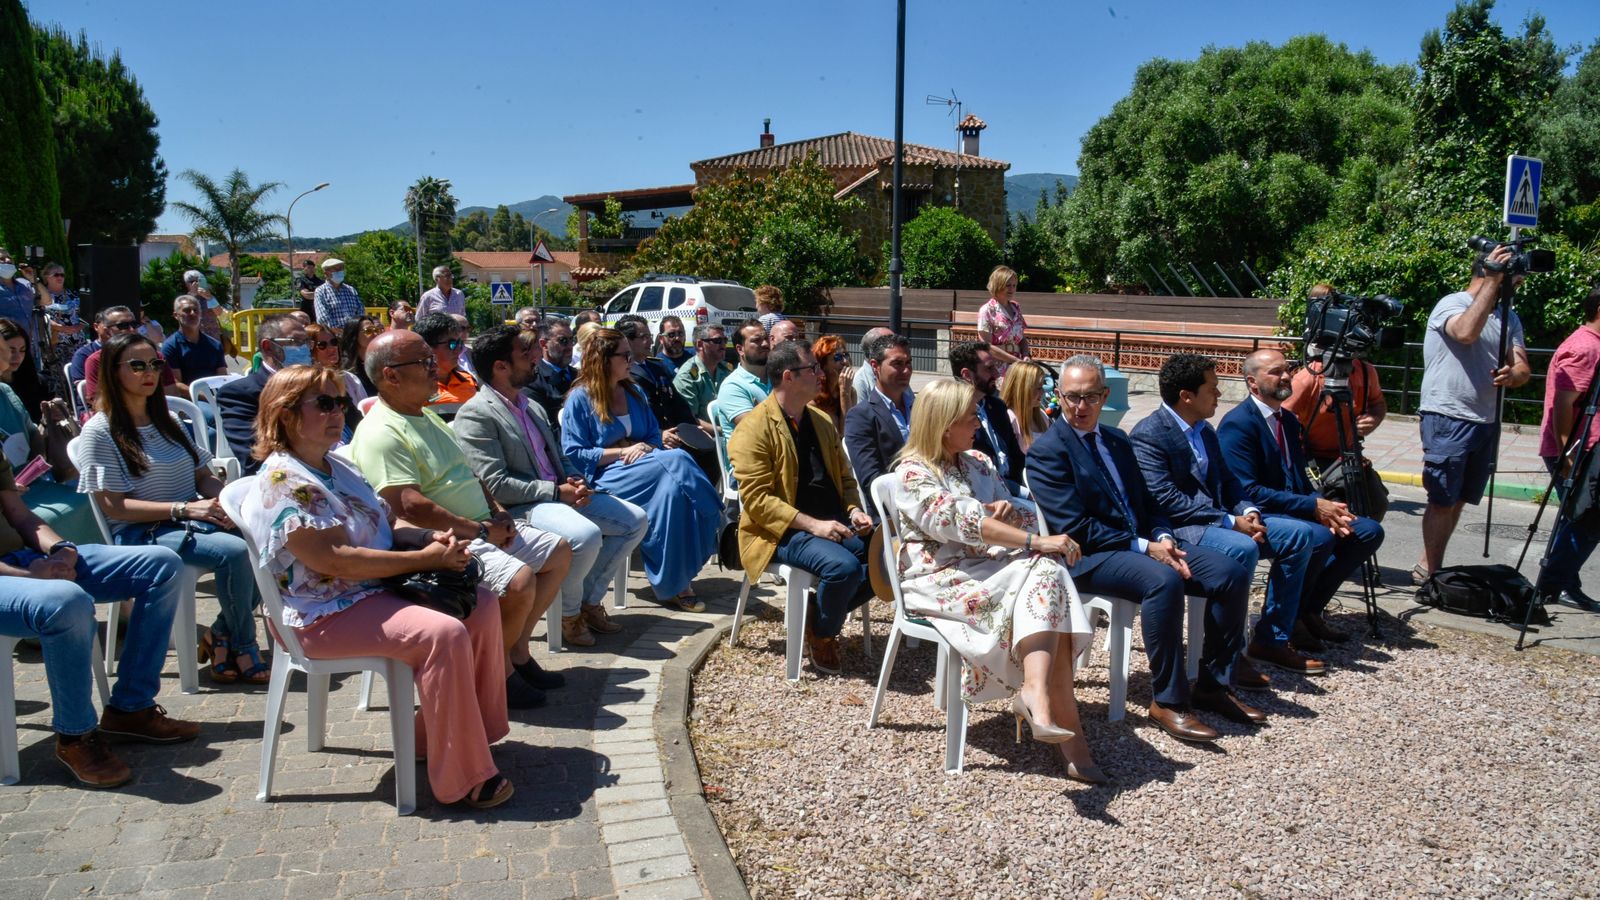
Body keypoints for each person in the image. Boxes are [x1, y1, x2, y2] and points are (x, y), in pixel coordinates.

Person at [241, 365, 515, 808]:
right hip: (321, 614)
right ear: (286, 414)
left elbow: (389, 522)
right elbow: (336, 560)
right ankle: (463, 777)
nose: (338, 412)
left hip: (372, 591)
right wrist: (426, 559)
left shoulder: (337, 465)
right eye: (324, 403)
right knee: (442, 633)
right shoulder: (284, 481)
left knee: (480, 603)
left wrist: (428, 538)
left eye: (340, 402)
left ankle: (457, 737)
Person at [1025, 354, 1258, 742]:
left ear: (1104, 396)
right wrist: (1146, 546)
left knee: (1229, 572)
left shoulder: (1117, 440)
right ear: (1059, 397)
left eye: (1090, 397)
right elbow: (1075, 527)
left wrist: (1162, 535)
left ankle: (1215, 684)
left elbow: (1147, 503)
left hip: (1140, 543)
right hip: (1087, 555)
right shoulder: (1048, 450)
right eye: (1071, 397)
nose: (1080, 406)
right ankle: (1168, 700)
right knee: (1163, 580)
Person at [891, 378, 1102, 781]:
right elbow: (956, 520)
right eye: (970, 416)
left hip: (988, 566)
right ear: (944, 425)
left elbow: (1023, 510)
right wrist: (1031, 539)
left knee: (1047, 571)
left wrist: (1007, 512)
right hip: (940, 579)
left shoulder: (976, 461)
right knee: (1047, 571)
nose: (978, 422)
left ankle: (1035, 694)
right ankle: (1066, 731)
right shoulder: (912, 473)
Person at [352, 329, 572, 709]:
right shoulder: (381, 432)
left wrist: (498, 513)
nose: (435, 367)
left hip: (482, 525)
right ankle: (496, 674)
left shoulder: (425, 415)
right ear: (391, 375)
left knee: (559, 551)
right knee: (520, 581)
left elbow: (470, 473)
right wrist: (481, 530)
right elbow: (408, 507)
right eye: (423, 362)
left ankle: (516, 653)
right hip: (442, 541)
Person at [0, 445, 198, 788]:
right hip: (13, 575)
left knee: (161, 564)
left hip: (23, 559)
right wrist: (30, 576)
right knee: (67, 601)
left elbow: (21, 515)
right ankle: (75, 737)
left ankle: (131, 709)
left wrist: (62, 549)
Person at [77, 332, 268, 684]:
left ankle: (221, 634)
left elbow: (203, 477)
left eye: (155, 363)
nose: (150, 372)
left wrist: (227, 502)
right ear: (113, 371)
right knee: (236, 552)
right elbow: (115, 507)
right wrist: (184, 510)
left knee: (265, 537)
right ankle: (244, 644)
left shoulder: (169, 421)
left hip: (189, 521)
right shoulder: (101, 431)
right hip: (141, 532)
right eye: (137, 365)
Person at [455, 327, 648, 647]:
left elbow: (561, 456)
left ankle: (587, 601)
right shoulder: (476, 414)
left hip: (558, 495)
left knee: (635, 520)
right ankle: (568, 615)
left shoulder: (531, 406)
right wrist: (556, 492)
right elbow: (495, 484)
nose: (535, 358)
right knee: (584, 536)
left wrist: (575, 480)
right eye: (525, 354)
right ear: (500, 366)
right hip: (522, 507)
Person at [1219, 349, 1386, 651]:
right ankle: (1276, 630)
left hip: (1292, 508)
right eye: (1275, 372)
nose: (1286, 376)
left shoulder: (1289, 421)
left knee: (1366, 531)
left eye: (1287, 369)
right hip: (1258, 514)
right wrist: (1312, 507)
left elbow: (1299, 478)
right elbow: (1246, 491)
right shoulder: (1238, 424)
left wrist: (1323, 505)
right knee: (1318, 537)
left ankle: (1307, 611)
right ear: (1252, 382)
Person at [728, 340, 873, 674]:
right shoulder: (752, 429)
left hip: (832, 522)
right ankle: (823, 634)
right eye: (813, 369)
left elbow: (845, 478)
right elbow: (759, 502)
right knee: (845, 569)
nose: (822, 374)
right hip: (782, 531)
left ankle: (818, 612)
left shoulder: (820, 420)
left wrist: (854, 510)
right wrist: (814, 525)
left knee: (888, 557)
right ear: (789, 376)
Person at [560, 328, 720, 611]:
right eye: (624, 355)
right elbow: (575, 452)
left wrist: (642, 447)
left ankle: (675, 582)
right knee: (677, 459)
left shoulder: (634, 393)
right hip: (606, 475)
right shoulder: (580, 399)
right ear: (603, 359)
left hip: (647, 468)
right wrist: (622, 450)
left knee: (673, 494)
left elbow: (654, 438)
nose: (631, 360)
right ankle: (716, 515)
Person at [1415, 245, 1531, 583]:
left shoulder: (1508, 316)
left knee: (1459, 499)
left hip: (1485, 419)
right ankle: (1430, 575)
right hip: (1447, 416)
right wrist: (1493, 282)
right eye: (1514, 279)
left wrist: (1514, 374)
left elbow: (1523, 367)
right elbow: (1465, 332)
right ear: (1489, 273)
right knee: (1442, 499)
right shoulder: (1452, 303)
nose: (1518, 285)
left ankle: (1430, 566)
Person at [1284, 286, 1390, 520]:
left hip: (1348, 455)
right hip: (1311, 458)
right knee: (1336, 512)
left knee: (1377, 503)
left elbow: (1378, 404)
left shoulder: (1366, 372)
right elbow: (1279, 421)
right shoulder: (1308, 377)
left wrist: (1373, 418)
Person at [1533, 284, 1600, 611]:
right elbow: (1563, 403)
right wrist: (1565, 455)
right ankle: (1548, 588)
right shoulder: (1585, 348)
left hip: (1586, 448)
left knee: (1577, 518)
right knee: (1588, 519)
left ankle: (1562, 584)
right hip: (1578, 450)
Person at [0, 319, 97, 543]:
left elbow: (31, 433)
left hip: (30, 482)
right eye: (7, 349)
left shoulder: (6, 391)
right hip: (8, 497)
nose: (12, 356)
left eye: (21, 350)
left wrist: (47, 429)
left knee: (86, 499)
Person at [219, 314, 330, 475]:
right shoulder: (240, 394)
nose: (305, 349)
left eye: (307, 342)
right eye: (295, 342)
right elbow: (255, 459)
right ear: (268, 347)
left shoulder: (320, 384)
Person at [844, 332, 914, 513]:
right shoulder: (860, 417)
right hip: (894, 512)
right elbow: (871, 479)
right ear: (875, 366)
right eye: (897, 364)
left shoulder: (921, 408)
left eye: (908, 363)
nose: (906, 370)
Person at [949, 341, 1025, 490]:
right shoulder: (954, 415)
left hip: (1013, 486)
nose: (997, 374)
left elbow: (1016, 455)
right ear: (967, 375)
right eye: (989, 368)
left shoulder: (997, 407)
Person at [712, 320, 771, 465]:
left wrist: (764, 413)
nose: (765, 344)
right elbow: (758, 431)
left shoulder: (779, 378)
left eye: (766, 338)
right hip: (749, 467)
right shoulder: (732, 386)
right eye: (756, 340)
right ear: (740, 349)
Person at [161, 295, 229, 386]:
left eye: (196, 310)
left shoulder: (215, 345)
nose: (193, 313)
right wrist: (202, 394)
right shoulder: (170, 346)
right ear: (176, 315)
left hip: (214, 393)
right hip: (188, 394)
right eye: (187, 310)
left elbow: (223, 377)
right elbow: (175, 384)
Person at [415, 312, 479, 407]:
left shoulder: (469, 380)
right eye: (452, 344)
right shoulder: (414, 388)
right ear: (428, 347)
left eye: (459, 343)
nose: (458, 350)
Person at [673, 323, 732, 423]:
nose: (723, 345)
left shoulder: (726, 370)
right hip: (706, 431)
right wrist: (720, 430)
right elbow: (691, 419)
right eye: (717, 341)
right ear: (700, 345)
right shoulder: (687, 377)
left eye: (725, 340)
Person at [976, 265, 1029, 375]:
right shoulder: (986, 310)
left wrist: (1025, 355)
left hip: (1017, 368)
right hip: (997, 369)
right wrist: (1016, 361)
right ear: (998, 285)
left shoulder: (1016, 308)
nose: (1012, 289)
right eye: (1008, 285)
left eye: (1014, 285)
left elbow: (1022, 338)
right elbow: (987, 346)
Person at [526, 316, 579, 427]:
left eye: (572, 340)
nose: (570, 346)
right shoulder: (532, 381)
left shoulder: (581, 376)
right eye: (563, 341)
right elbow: (544, 426)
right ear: (544, 344)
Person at [39, 263, 88, 381]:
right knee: (59, 379)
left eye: (62, 274)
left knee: (78, 376)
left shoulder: (74, 294)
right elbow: (40, 317)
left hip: (77, 342)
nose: (60, 277)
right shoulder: (41, 297)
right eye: (56, 274)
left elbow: (87, 314)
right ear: (46, 277)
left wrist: (79, 327)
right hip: (56, 344)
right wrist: (61, 328)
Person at [71, 306, 136, 383]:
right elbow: (84, 387)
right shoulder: (85, 355)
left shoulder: (139, 351)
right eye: (123, 325)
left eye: (134, 324)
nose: (132, 329)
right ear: (97, 327)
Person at [1001, 359, 1052, 453]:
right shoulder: (1009, 419)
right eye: (1038, 388)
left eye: (1042, 387)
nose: (1043, 392)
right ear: (1022, 389)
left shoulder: (1042, 416)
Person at [847, 327, 895, 411]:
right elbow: (862, 415)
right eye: (892, 345)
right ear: (877, 351)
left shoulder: (897, 375)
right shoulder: (860, 381)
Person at [337, 314, 382, 401]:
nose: (375, 334)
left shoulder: (380, 363)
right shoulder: (345, 370)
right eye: (369, 331)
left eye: (376, 329)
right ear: (354, 335)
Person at [810, 334, 853, 425]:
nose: (845, 362)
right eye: (837, 357)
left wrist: (845, 393)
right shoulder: (813, 398)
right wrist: (844, 393)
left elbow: (851, 430)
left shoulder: (850, 392)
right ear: (823, 364)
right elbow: (842, 431)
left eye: (846, 355)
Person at [313, 258, 364, 334]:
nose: (340, 272)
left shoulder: (351, 290)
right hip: (333, 335)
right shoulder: (320, 291)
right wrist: (339, 332)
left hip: (353, 333)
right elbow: (323, 317)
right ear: (326, 274)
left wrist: (355, 329)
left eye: (341, 269)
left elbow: (360, 311)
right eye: (336, 269)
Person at [181, 270, 226, 347]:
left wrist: (209, 298)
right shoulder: (185, 299)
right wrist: (192, 295)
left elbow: (219, 312)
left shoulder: (209, 296)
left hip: (212, 338)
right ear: (187, 284)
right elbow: (183, 315)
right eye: (192, 281)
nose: (196, 284)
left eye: (198, 281)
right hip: (194, 338)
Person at [293, 257, 323, 321]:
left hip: (318, 309)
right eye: (308, 267)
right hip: (306, 309)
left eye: (312, 267)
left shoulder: (320, 281)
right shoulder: (300, 280)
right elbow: (307, 295)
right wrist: (320, 293)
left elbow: (326, 294)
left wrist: (312, 293)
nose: (311, 269)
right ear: (304, 268)